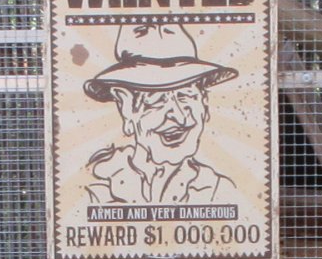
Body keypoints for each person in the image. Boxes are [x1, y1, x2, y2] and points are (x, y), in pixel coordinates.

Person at [82, 20, 239, 211]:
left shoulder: (218, 190)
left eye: (186, 95)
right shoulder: (95, 185)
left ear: (204, 103)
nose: (180, 117)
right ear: (126, 106)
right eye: (156, 100)